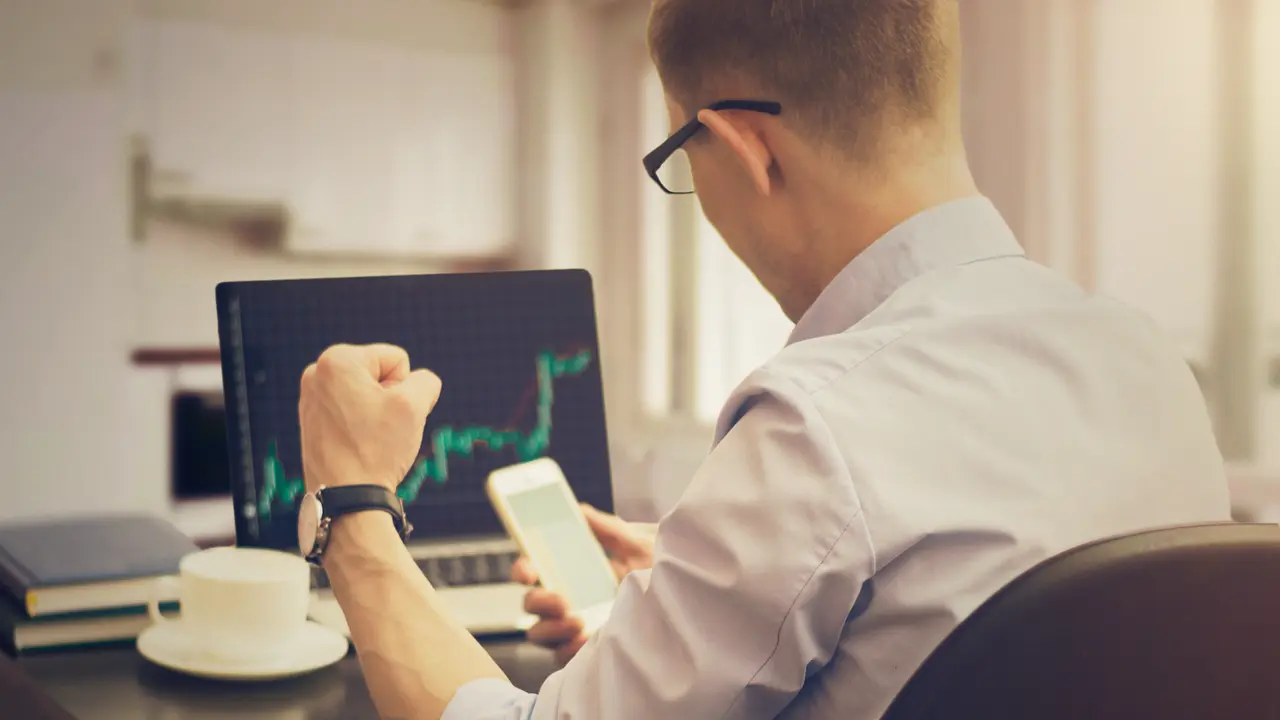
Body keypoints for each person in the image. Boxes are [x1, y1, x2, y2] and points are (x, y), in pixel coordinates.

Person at [296, 0, 1233, 718]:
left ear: (748, 150)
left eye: (680, 154)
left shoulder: (820, 425)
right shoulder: (1149, 365)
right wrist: (710, 592)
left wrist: (354, 500)